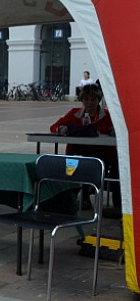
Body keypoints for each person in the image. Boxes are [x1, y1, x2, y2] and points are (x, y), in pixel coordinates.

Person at [51, 84, 119, 215]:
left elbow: (118, 131)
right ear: (82, 100)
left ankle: (114, 205)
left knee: (114, 167)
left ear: (98, 100)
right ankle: (75, 198)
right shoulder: (73, 114)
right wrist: (61, 129)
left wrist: (113, 131)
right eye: (86, 99)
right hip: (78, 153)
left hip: (103, 155)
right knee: (73, 162)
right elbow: (54, 126)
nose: (90, 103)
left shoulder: (108, 115)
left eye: (93, 99)